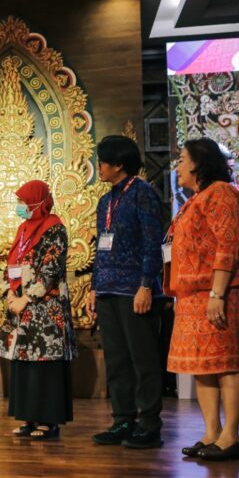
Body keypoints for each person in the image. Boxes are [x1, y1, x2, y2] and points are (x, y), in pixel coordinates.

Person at [166, 137, 239, 461]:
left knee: (225, 363)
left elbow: (228, 243)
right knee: (203, 367)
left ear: (198, 163)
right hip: (194, 294)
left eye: (181, 159)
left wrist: (217, 293)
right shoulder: (195, 199)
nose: (177, 166)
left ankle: (231, 437)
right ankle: (211, 433)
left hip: (219, 292)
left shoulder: (221, 193)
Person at [86, 135, 166, 449]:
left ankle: (149, 424)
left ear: (119, 164)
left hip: (135, 290)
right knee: (116, 359)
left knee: (142, 359)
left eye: (103, 161)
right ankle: (123, 419)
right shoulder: (105, 201)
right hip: (107, 289)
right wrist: (94, 286)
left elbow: (153, 242)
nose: (99, 166)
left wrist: (146, 285)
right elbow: (100, 247)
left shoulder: (143, 193)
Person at [1, 180, 76, 440]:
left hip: (46, 310)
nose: (20, 206)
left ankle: (48, 421)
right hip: (21, 310)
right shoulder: (23, 229)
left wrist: (26, 298)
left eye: (23, 202)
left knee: (45, 366)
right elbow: (11, 264)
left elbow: (50, 270)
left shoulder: (54, 228)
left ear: (37, 202)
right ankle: (29, 419)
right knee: (25, 365)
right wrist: (10, 294)